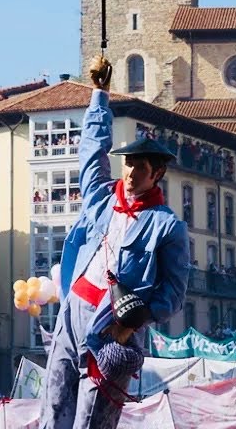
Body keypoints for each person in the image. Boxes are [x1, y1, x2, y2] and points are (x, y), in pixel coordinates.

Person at [40, 55, 190, 429]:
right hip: (73, 315)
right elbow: (91, 155)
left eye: (140, 167)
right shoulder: (102, 202)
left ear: (157, 174)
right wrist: (99, 96)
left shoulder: (167, 227)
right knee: (52, 411)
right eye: (127, 164)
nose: (131, 172)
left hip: (113, 330)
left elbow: (173, 294)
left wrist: (131, 326)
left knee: (93, 422)